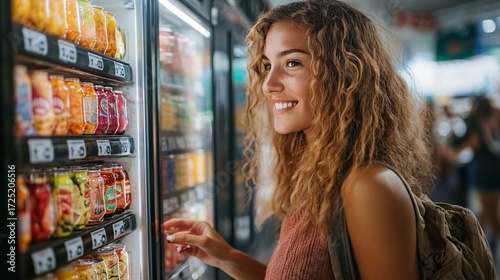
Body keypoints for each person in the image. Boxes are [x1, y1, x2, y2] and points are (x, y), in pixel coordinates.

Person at [163, 1, 433, 279]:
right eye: (267, 65)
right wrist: (227, 256)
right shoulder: (320, 174)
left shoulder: (368, 185)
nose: (269, 84)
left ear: (345, 72)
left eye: (292, 63)